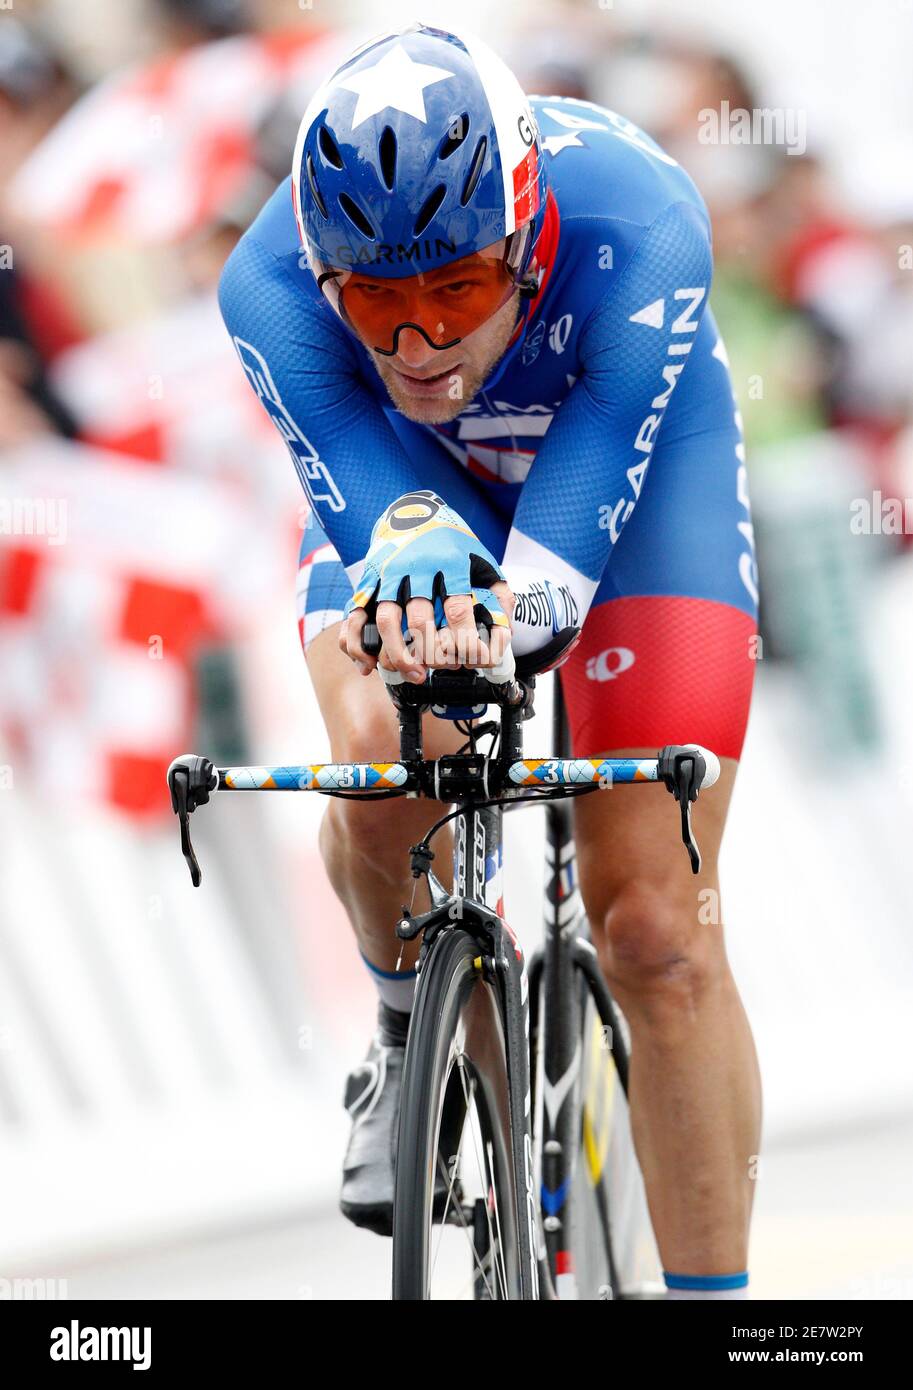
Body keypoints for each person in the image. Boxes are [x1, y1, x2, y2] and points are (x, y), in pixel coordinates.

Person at [219, 22, 761, 1301]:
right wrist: (415, 596)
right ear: (323, 271)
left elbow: (557, 585)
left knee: (656, 936)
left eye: (454, 293)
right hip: (417, 483)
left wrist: (505, 617)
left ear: (523, 237)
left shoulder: (645, 223)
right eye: (378, 306)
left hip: (631, 483)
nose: (415, 348)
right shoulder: (270, 289)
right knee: (379, 741)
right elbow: (368, 490)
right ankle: (411, 1032)